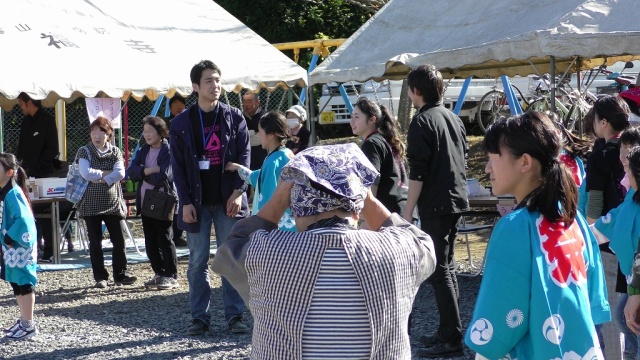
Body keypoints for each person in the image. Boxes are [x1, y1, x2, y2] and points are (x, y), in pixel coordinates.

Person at [211, 143, 437, 359]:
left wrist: (278, 201)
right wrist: (366, 198)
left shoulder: (268, 252)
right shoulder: (396, 251)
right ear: (357, 209)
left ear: (295, 207)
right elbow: (423, 244)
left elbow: (230, 249)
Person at [465, 112, 609, 359]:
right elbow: (594, 301)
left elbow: (502, 314)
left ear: (524, 162)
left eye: (492, 157)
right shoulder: (574, 221)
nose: (488, 168)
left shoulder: (514, 228)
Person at [170, 60, 250, 335]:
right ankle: (200, 318)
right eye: (208, 81)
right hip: (197, 200)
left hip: (229, 198)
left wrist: (239, 191)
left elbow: (244, 157)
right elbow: (178, 167)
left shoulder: (235, 116)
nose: (215, 85)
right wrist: (186, 202)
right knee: (197, 261)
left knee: (231, 258)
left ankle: (235, 316)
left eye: (217, 80)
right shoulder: (181, 123)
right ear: (195, 87)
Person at [401, 64, 468, 358]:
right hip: (456, 200)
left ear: (416, 91)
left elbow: (418, 172)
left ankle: (452, 337)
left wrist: (408, 210)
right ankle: (448, 330)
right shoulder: (453, 118)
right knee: (446, 267)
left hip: (436, 203)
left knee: (439, 270)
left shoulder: (422, 121)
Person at [586, 95, 631, 359]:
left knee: (614, 313)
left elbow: (595, 199)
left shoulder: (600, 154)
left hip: (610, 238)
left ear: (603, 122)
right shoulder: (633, 146)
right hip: (634, 234)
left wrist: (591, 234)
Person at [592, 142, 640, 360]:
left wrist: (636, 293)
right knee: (622, 316)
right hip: (634, 283)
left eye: (628, 168)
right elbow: (607, 225)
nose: (625, 173)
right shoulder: (632, 200)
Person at [77, 117, 137, 289]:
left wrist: (102, 178)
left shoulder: (115, 151)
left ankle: (120, 274)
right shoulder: (84, 151)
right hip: (90, 204)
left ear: (109, 134)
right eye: (94, 132)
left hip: (112, 203)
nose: (97, 136)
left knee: (119, 240)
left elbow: (120, 173)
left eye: (101, 132)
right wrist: (107, 175)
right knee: (95, 242)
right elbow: (85, 173)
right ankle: (100, 277)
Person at [126, 116, 178, 290]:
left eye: (150, 131)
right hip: (145, 202)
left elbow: (165, 175)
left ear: (160, 132)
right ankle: (159, 272)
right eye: (145, 131)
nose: (146, 135)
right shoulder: (143, 150)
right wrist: (149, 169)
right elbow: (131, 172)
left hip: (162, 202)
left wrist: (143, 172)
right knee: (150, 240)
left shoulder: (168, 150)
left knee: (165, 238)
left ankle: (170, 275)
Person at [225, 111, 295, 231]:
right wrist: (239, 168)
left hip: (276, 227)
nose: (258, 136)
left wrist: (258, 224)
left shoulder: (272, 161)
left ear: (271, 135)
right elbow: (260, 177)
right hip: (291, 222)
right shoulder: (286, 153)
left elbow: (267, 196)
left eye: (260, 132)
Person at [16, 92, 61, 262]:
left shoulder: (47, 120)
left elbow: (53, 149)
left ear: (29, 102)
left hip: (44, 174)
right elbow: (21, 148)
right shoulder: (25, 122)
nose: (20, 107)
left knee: (47, 211)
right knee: (30, 210)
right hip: (26, 175)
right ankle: (34, 248)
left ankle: (50, 250)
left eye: (21, 103)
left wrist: (39, 166)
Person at [0, 153, 39, 340]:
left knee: (24, 283)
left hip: (19, 246)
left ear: (9, 172)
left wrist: (9, 236)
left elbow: (24, 219)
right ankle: (24, 321)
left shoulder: (13, 193)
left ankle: (28, 324)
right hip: (12, 248)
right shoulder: (6, 192)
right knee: (16, 282)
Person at [350, 97, 407, 214]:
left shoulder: (371, 144)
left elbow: (371, 186)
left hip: (388, 214)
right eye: (351, 117)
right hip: (402, 208)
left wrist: (367, 220)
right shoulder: (386, 140)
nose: (352, 122)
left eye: (356, 117)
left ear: (371, 120)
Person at [167, 94, 188, 247]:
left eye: (182, 106)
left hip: (186, 165)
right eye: (176, 107)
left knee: (183, 200)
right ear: (170, 109)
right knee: (173, 202)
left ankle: (179, 234)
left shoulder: (189, 122)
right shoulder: (165, 125)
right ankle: (172, 234)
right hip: (169, 167)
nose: (179, 109)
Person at [243, 92, 267, 170]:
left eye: (249, 101)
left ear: (257, 102)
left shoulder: (265, 116)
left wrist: (246, 137)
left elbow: (263, 138)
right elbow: (238, 136)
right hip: (245, 160)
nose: (246, 104)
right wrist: (254, 133)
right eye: (244, 101)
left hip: (262, 160)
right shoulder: (240, 116)